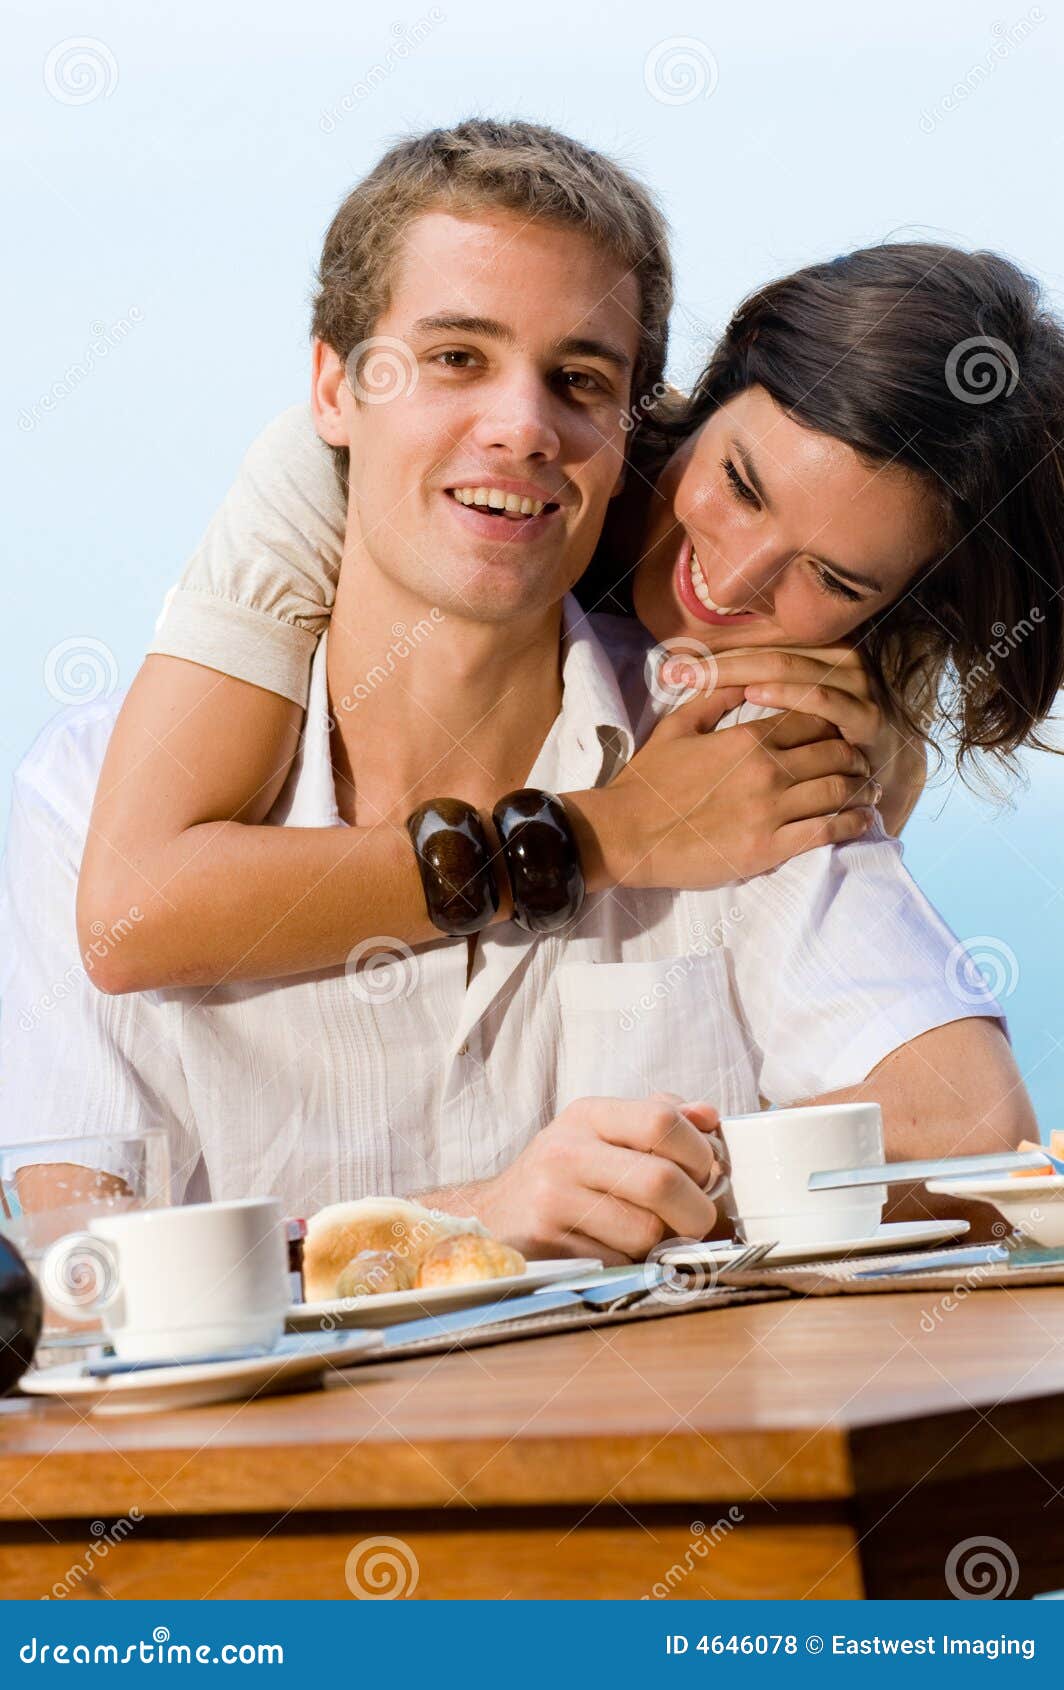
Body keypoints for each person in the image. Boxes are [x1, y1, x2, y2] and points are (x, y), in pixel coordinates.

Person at [0, 122, 1035, 1259]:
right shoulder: (130, 737)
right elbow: (83, 1268)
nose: (519, 427)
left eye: (832, 579)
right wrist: (470, 1218)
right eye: (454, 357)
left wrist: (694, 1182)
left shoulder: (744, 754)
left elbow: (971, 1140)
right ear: (334, 389)